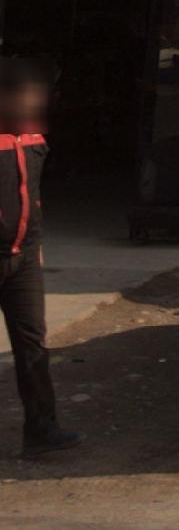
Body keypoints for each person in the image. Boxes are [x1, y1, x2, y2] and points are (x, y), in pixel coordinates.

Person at [0, 58, 80, 458]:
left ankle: (41, 430)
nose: (31, 105)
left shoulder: (33, 138)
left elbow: (33, 196)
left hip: (25, 260)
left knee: (33, 345)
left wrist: (35, 244)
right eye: (23, 97)